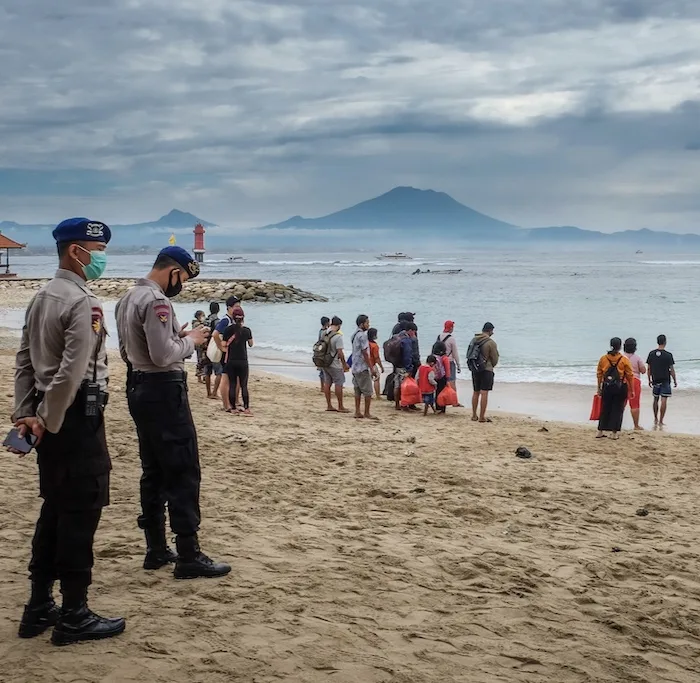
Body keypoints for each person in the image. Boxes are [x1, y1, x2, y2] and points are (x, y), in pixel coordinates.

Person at [10, 217, 125, 645]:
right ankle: (74, 613)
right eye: (97, 251)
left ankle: (39, 606)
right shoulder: (82, 302)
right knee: (81, 510)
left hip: (49, 414)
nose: (101, 259)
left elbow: (25, 361)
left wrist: (26, 412)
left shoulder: (42, 296)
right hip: (74, 418)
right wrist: (48, 419)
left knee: (55, 509)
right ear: (77, 252)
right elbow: (71, 372)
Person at [115, 246, 230, 579]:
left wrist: (175, 337)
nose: (182, 286)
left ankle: (155, 547)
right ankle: (188, 552)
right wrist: (191, 341)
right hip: (163, 389)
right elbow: (164, 355)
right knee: (182, 468)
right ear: (173, 271)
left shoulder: (127, 299)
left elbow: (129, 349)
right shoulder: (157, 301)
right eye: (183, 279)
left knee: (152, 468)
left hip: (138, 384)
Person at [596, 337, 635, 439]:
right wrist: (632, 390)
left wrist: (599, 387)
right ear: (620, 346)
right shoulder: (624, 360)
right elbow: (630, 376)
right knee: (618, 409)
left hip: (607, 386)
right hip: (620, 387)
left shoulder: (603, 359)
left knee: (605, 408)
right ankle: (614, 433)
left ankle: (600, 431)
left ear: (611, 345)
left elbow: (599, 374)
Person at [221, 306, 254, 416]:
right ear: (243, 318)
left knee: (233, 384)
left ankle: (233, 408)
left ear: (233, 318)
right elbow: (251, 344)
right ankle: (247, 408)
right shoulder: (246, 330)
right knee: (244, 385)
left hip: (231, 360)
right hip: (243, 360)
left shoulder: (228, 330)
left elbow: (223, 345)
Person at [213, 296, 241, 411]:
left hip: (235, 354)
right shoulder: (226, 320)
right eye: (236, 307)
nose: (238, 309)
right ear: (229, 308)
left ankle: (234, 401)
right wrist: (221, 347)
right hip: (227, 354)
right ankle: (226, 404)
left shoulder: (234, 320)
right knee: (226, 378)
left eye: (239, 306)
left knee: (236, 378)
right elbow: (215, 334)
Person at [469, 322, 499, 423]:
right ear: (490, 330)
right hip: (487, 369)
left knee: (476, 392)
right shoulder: (491, 343)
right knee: (484, 393)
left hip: (475, 369)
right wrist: (491, 365)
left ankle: (474, 415)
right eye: (492, 331)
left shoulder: (474, 340)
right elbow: (495, 358)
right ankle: (482, 417)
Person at [351, 315, 379, 420]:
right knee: (368, 391)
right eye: (367, 323)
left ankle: (357, 411)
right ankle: (366, 412)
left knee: (357, 390)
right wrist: (371, 368)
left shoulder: (354, 334)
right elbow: (365, 353)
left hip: (355, 366)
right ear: (362, 324)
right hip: (362, 367)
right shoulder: (362, 336)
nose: (368, 324)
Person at [647, 334, 677, 427]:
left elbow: (649, 368)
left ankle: (655, 418)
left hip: (655, 379)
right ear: (665, 342)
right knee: (664, 400)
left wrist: (649, 379)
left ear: (657, 342)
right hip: (665, 380)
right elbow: (671, 369)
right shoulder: (668, 355)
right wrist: (675, 380)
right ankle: (661, 420)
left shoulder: (651, 353)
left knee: (655, 399)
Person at [322, 316, 350, 413]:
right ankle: (340, 406)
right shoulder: (338, 337)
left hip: (325, 362)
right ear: (338, 325)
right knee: (339, 383)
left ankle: (329, 405)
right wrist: (344, 364)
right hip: (334, 363)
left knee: (327, 383)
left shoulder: (325, 333)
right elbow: (340, 352)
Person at [623, 337, 646, 430]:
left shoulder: (621, 357)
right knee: (635, 404)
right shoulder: (637, 358)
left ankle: (616, 423)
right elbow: (643, 370)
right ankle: (636, 425)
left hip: (623, 380)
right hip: (634, 380)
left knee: (621, 403)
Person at [202, 302, 223, 399]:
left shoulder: (206, 320)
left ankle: (208, 393)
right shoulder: (217, 321)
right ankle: (214, 393)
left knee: (207, 371)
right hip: (213, 347)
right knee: (219, 371)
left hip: (205, 346)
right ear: (218, 310)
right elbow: (219, 334)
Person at [394, 323, 417, 411]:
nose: (414, 334)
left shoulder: (397, 336)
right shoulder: (407, 340)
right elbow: (408, 356)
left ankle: (397, 405)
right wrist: (409, 368)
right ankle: (404, 405)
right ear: (410, 330)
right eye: (414, 332)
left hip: (397, 365)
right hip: (404, 366)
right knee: (405, 386)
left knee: (397, 385)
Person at [437, 321, 461, 397]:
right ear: (451, 328)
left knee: (441, 381)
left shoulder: (439, 336)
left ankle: (441, 398)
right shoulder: (451, 339)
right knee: (452, 381)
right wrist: (458, 364)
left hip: (440, 361)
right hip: (449, 361)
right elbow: (455, 353)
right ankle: (454, 400)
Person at [431, 340, 451, 414]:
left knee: (436, 392)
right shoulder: (444, 358)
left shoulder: (433, 356)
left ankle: (437, 407)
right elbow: (447, 369)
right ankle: (442, 408)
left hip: (435, 377)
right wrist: (448, 378)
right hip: (442, 377)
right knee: (442, 392)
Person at [367, 327, 384, 399]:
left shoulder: (365, 343)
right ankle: (378, 396)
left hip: (365, 364)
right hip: (372, 364)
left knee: (367, 381)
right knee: (376, 379)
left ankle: (368, 394)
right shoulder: (374, 346)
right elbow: (377, 358)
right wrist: (381, 366)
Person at [192, 310, 206, 384]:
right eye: (202, 315)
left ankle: (203, 376)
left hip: (201, 344)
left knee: (203, 360)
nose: (203, 317)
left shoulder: (197, 323)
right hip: (199, 345)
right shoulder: (197, 324)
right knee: (200, 360)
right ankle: (200, 377)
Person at [318, 317, 330, 391]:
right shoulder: (325, 332)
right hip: (324, 352)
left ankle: (322, 387)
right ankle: (323, 387)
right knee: (324, 371)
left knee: (322, 370)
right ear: (326, 323)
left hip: (320, 352)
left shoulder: (320, 331)